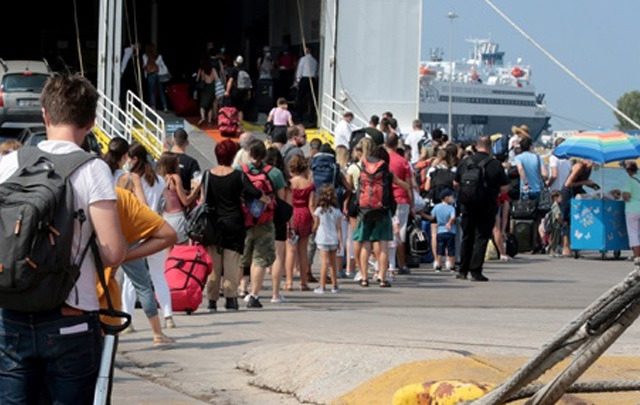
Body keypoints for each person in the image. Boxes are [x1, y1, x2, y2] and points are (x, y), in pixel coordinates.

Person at [0, 75, 126, 402]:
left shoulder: (9, 163)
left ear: (45, 114)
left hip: (11, 314)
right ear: (91, 122)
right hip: (70, 317)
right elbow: (113, 252)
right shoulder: (92, 169)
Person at [204, 140, 263, 311]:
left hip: (213, 223)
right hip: (234, 223)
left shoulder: (208, 175)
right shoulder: (238, 175)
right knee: (232, 261)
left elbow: (205, 199)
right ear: (232, 156)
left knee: (214, 264)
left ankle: (212, 299)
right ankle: (230, 298)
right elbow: (254, 192)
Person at [454, 136, 509, 282]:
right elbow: (504, 187)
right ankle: (476, 271)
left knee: (467, 236)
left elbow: (456, 182)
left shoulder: (465, 162)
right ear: (489, 147)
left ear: (476, 146)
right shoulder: (495, 164)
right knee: (481, 237)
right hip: (487, 204)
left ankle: (462, 270)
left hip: (467, 204)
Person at [242, 140, 287, 308]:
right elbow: (282, 200)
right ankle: (254, 294)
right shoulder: (274, 173)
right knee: (260, 259)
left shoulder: (241, 170)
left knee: (243, 257)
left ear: (249, 153)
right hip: (266, 221)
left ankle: (241, 288)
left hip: (245, 220)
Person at [285, 155, 315, 291]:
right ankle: (304, 282)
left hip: (292, 214)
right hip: (305, 214)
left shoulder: (289, 184)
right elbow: (312, 205)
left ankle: (289, 282)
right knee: (303, 250)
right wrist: (315, 220)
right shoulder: (309, 184)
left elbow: (287, 203)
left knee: (290, 250)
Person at [265, 146, 290, 303]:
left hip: (259, 216)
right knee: (278, 255)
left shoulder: (259, 171)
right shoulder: (277, 174)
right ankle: (275, 293)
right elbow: (281, 198)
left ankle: (249, 290)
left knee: (257, 255)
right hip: (277, 217)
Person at [386, 133, 414, 275]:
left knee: (387, 232)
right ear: (397, 144)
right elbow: (409, 185)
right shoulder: (403, 161)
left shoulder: (382, 159)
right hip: (401, 199)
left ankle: (387, 263)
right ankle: (401, 263)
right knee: (400, 233)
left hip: (385, 199)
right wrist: (412, 203)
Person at [560, 159, 597, 256]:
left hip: (577, 190)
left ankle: (577, 243)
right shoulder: (579, 166)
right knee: (566, 219)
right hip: (568, 192)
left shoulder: (589, 168)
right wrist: (585, 182)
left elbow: (581, 182)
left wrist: (592, 186)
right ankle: (566, 246)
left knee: (580, 216)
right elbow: (568, 184)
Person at [313, 185, 343, 294]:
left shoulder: (319, 210)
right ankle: (335, 285)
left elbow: (316, 225)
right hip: (333, 238)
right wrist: (340, 241)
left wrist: (312, 232)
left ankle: (322, 286)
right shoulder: (337, 211)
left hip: (322, 238)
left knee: (324, 263)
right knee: (332, 263)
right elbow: (339, 228)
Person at [431, 188, 457, 272]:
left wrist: (422, 214)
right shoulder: (451, 208)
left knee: (440, 250)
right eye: (451, 197)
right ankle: (452, 266)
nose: (453, 198)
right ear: (446, 197)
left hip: (440, 231)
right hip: (450, 232)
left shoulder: (437, 207)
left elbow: (432, 216)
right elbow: (453, 217)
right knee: (451, 249)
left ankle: (438, 265)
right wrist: (449, 223)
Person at [170, 129, 201, 193]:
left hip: (166, 200)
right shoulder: (191, 162)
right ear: (187, 142)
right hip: (185, 199)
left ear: (173, 140)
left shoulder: (163, 159)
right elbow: (197, 185)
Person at [295, 46, 318, 125]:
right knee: (311, 99)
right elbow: (316, 72)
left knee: (300, 98)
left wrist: (298, 80)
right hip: (313, 79)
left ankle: (299, 116)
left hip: (304, 79)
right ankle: (311, 117)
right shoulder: (314, 61)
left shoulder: (303, 59)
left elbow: (300, 70)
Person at [142, 43, 169, 111]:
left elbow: (145, 66)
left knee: (152, 91)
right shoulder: (158, 56)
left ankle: (153, 106)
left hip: (151, 74)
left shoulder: (145, 56)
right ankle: (164, 106)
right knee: (161, 91)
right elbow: (161, 65)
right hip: (159, 74)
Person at [196, 57, 221, 126]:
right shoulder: (213, 69)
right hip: (212, 87)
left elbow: (200, 79)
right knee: (210, 105)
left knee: (202, 105)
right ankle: (209, 121)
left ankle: (203, 117)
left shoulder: (202, 70)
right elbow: (217, 78)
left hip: (205, 88)